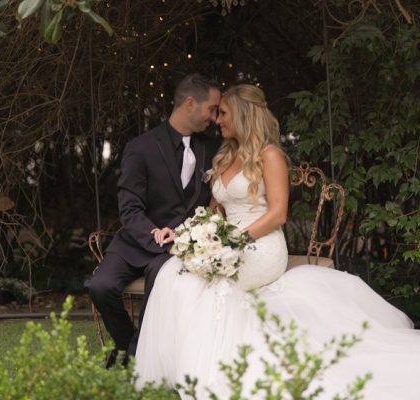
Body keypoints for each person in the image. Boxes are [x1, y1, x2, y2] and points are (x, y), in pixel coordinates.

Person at [135, 84, 420, 399]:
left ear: (243, 115)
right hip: (227, 243)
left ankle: (216, 372)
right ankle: (177, 370)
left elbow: (279, 214)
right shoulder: (225, 155)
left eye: (224, 113)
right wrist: (191, 235)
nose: (218, 120)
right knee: (174, 272)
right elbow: (215, 211)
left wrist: (234, 241)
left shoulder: (270, 156)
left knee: (215, 289)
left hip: (261, 245)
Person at [87, 73, 222, 363]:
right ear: (190, 104)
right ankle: (128, 346)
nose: (214, 117)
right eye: (211, 109)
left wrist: (188, 239)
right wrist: (154, 234)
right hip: (137, 241)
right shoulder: (141, 147)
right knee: (100, 286)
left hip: (177, 248)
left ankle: (136, 358)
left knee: (160, 280)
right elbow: (130, 208)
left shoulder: (211, 149)